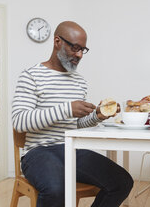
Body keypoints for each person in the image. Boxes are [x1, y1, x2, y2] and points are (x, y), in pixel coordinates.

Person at [12, 21, 134, 207]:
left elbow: (74, 125)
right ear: (57, 41)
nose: (79, 55)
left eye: (83, 50)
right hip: (38, 151)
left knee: (122, 182)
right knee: (56, 189)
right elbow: (20, 122)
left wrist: (97, 116)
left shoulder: (79, 81)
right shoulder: (31, 76)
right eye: (75, 48)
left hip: (71, 149)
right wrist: (67, 109)